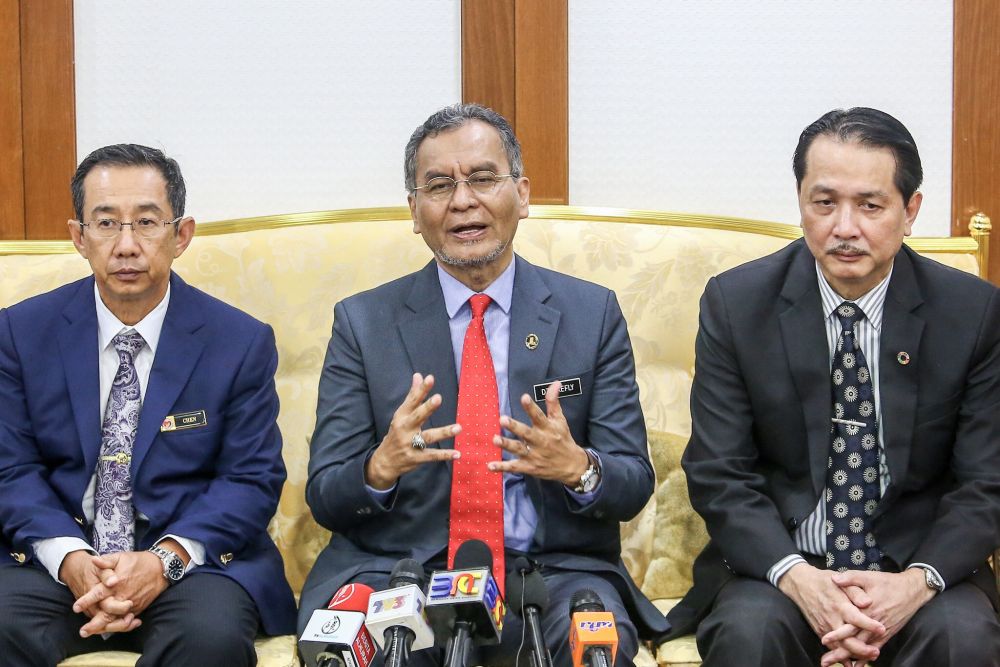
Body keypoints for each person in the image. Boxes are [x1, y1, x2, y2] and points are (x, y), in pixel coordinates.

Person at [300, 103, 669, 666]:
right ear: (415, 210)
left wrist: (577, 467)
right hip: (401, 571)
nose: (463, 201)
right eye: (439, 185)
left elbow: (633, 482)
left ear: (521, 195)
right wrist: (381, 467)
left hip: (549, 574)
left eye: (482, 178)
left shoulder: (591, 314)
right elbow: (326, 494)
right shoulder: (363, 322)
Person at [665, 108, 1000, 666]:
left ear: (910, 210)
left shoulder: (973, 313)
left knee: (961, 638)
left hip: (918, 570)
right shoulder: (737, 305)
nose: (845, 228)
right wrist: (799, 578)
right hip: (782, 567)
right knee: (749, 633)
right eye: (824, 203)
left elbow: (987, 482)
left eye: (870, 205)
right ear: (801, 202)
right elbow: (719, 473)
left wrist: (916, 584)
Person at [0, 144, 296, 666]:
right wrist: (70, 557)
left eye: (147, 223)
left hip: (190, 567)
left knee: (210, 641)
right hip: (58, 560)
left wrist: (163, 562)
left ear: (181, 236)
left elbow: (250, 478)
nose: (127, 245)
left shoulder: (239, 341)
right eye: (107, 224)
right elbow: (11, 468)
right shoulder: (21, 333)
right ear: (79, 237)